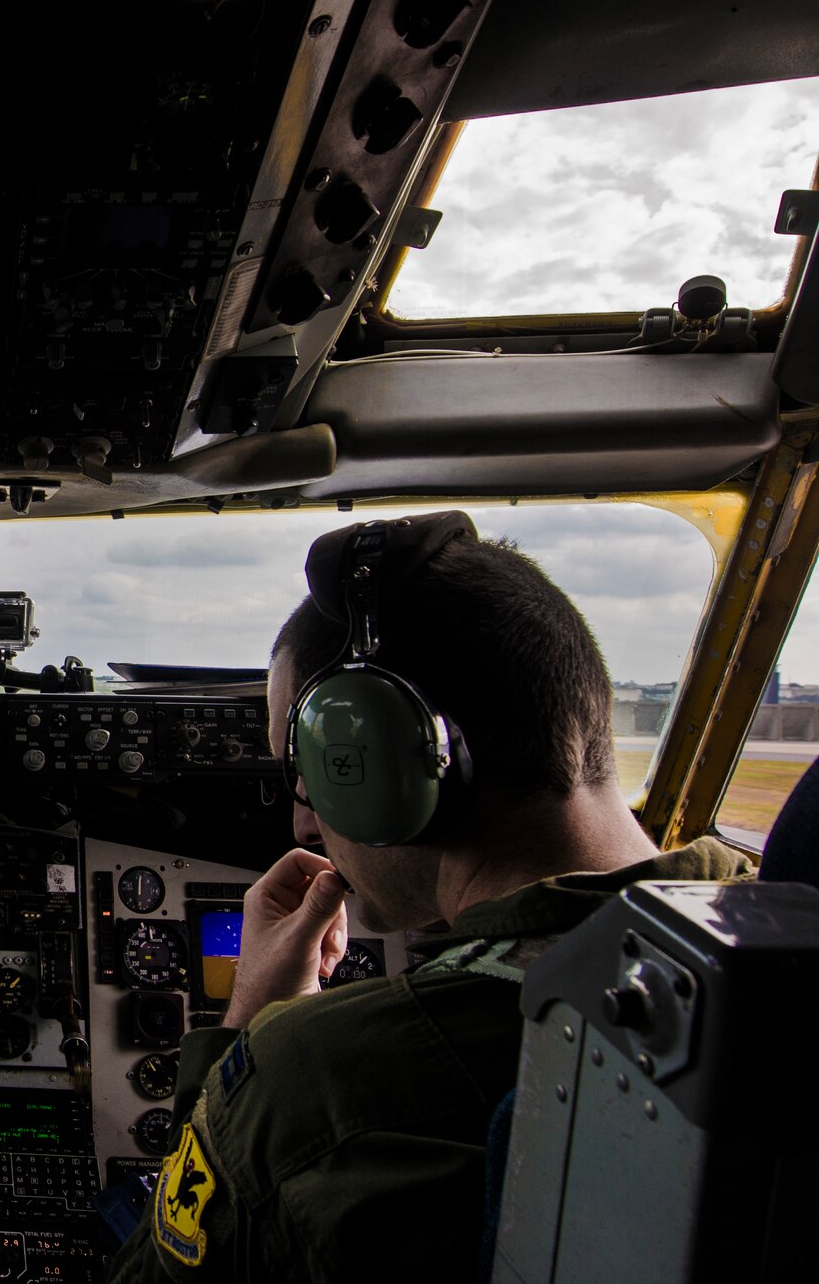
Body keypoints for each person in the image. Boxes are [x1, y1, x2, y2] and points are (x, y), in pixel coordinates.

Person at [107, 513, 750, 1282]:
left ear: (376, 764)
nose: (301, 819)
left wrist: (247, 1031)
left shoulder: (316, 1077)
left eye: (306, 771)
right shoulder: (769, 931)